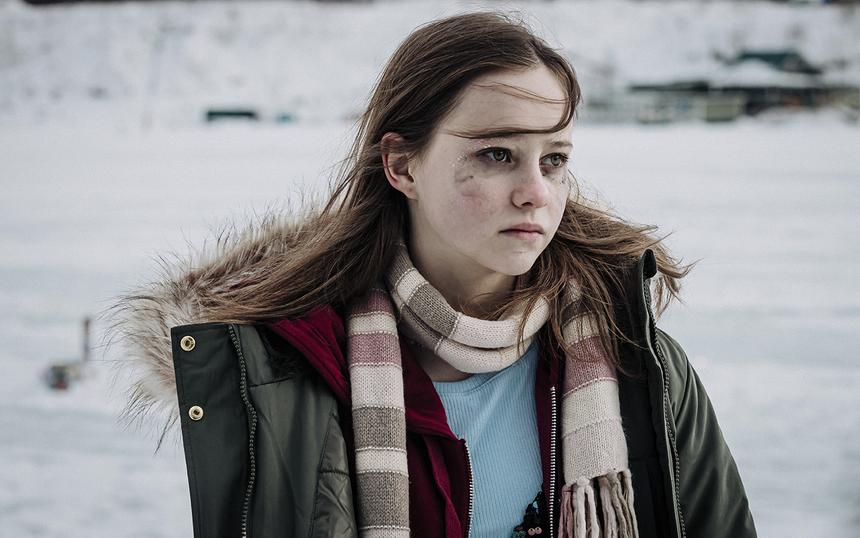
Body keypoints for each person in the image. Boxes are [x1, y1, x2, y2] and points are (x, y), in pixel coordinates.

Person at [104, 11, 756, 538]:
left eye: (553, 160)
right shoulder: (286, 372)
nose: (536, 192)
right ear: (402, 165)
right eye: (496, 154)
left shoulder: (637, 367)